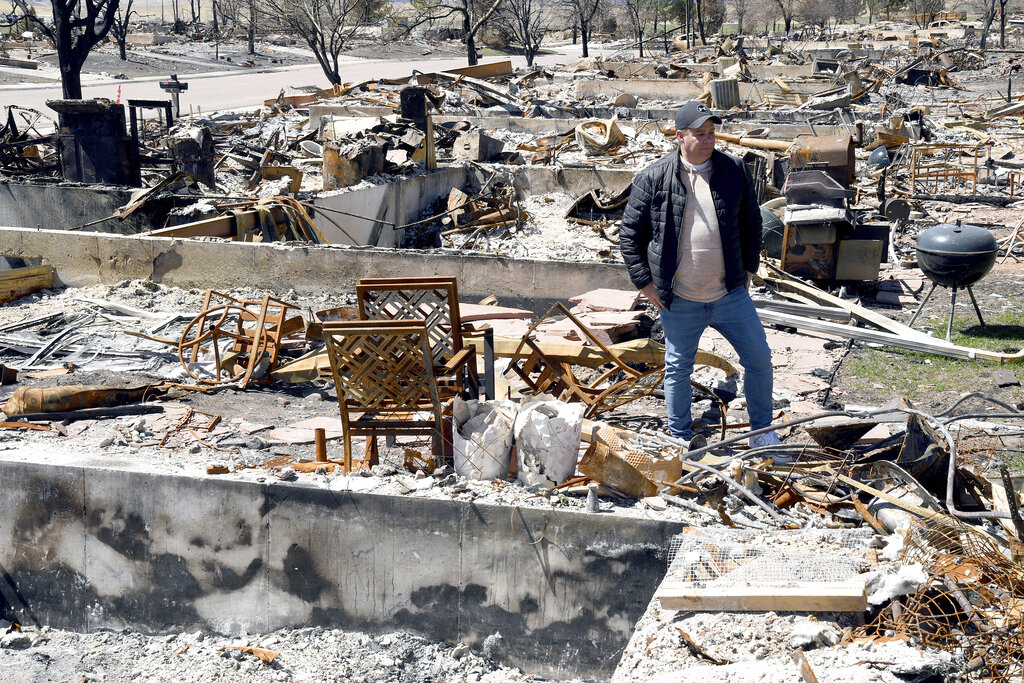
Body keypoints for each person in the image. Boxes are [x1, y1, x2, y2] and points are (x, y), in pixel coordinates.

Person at [619, 100, 781, 451]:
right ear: (680, 136)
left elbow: (752, 223)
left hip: (729, 295)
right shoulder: (654, 176)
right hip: (680, 298)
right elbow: (630, 234)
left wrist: (749, 269)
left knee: (759, 360)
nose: (708, 140)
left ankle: (762, 432)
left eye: (711, 133)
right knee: (677, 369)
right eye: (700, 134)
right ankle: (679, 436)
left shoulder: (732, 169)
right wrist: (646, 285)